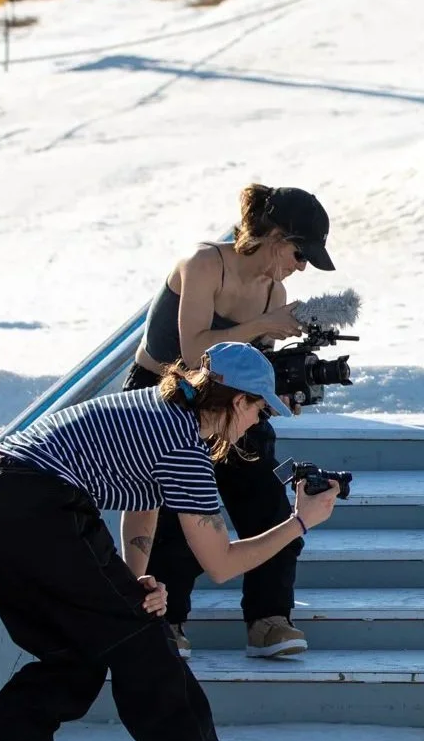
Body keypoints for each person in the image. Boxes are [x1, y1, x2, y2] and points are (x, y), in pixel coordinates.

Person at [0, 341, 340, 741]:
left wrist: (134, 579)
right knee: (146, 643)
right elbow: (221, 563)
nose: (258, 422)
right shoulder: (183, 442)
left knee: (76, 651)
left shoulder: (160, 409)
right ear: (238, 401)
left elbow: (143, 500)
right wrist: (300, 522)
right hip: (40, 505)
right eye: (259, 410)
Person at [122, 183, 336, 659]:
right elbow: (193, 353)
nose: (301, 268)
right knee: (176, 510)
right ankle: (165, 621)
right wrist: (263, 325)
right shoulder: (203, 263)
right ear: (275, 237)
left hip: (228, 399)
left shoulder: (274, 292)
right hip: (162, 392)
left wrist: (281, 393)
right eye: (300, 254)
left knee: (266, 498)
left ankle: (269, 618)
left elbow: (249, 369)